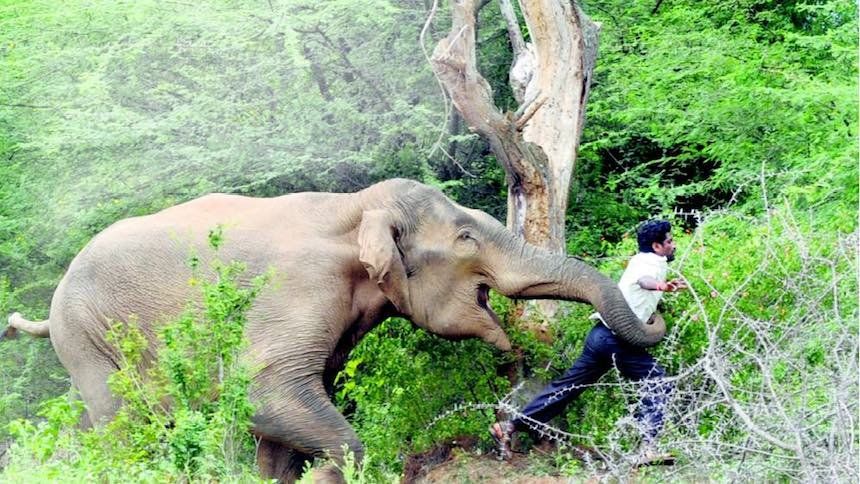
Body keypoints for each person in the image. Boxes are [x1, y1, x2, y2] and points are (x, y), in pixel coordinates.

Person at [490, 220, 687, 463]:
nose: (673, 245)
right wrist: (660, 286)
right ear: (657, 246)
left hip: (601, 337)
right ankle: (647, 448)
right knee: (658, 381)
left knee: (568, 387)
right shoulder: (650, 263)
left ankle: (509, 426)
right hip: (616, 340)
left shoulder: (643, 259)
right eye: (669, 241)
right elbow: (643, 281)